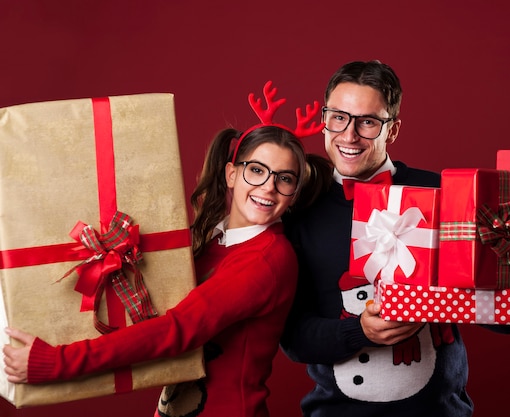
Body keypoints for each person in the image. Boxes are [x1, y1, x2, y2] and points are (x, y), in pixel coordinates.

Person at [2, 81, 328, 417]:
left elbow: (177, 329)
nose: (268, 188)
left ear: (294, 193)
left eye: (284, 178)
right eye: (256, 171)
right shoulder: (211, 241)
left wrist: (57, 361)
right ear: (231, 174)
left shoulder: (266, 259)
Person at [280, 60, 510, 417]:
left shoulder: (442, 191)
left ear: (392, 130)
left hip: (440, 410)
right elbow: (295, 337)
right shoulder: (299, 209)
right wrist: (360, 332)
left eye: (368, 122)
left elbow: (481, 295)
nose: (349, 135)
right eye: (338, 117)